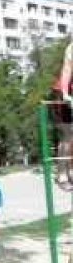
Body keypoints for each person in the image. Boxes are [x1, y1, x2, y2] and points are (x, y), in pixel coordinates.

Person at [52, 40, 73, 192]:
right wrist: (65, 93)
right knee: (68, 134)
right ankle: (62, 175)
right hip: (65, 93)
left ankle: (70, 171)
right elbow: (66, 70)